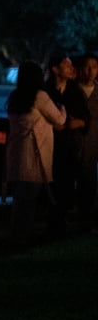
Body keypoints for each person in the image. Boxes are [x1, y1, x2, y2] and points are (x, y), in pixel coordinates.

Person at [5, 62, 65, 245]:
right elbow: (59, 120)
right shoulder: (40, 96)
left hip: (17, 155)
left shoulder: (15, 97)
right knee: (30, 200)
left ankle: (17, 235)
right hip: (35, 155)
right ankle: (22, 239)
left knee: (20, 200)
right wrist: (63, 107)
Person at [42, 54, 89, 236]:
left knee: (67, 185)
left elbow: (86, 118)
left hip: (69, 145)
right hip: (50, 144)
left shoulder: (75, 91)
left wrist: (78, 123)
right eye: (66, 65)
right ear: (55, 69)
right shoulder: (46, 91)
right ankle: (53, 223)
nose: (71, 69)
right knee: (51, 185)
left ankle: (61, 222)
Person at [75, 53, 98, 232]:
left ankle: (87, 218)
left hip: (93, 142)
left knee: (90, 181)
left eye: (94, 67)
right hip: (75, 143)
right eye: (87, 67)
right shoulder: (72, 91)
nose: (90, 71)